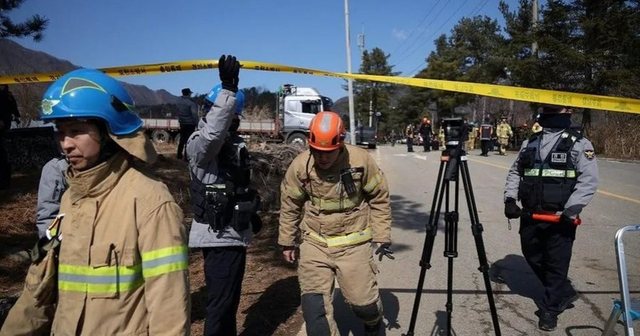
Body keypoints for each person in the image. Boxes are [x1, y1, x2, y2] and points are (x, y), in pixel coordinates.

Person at [0, 69, 190, 335]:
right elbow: (38, 284)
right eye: (60, 132)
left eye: (77, 131)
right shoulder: (69, 199)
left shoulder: (151, 201)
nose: (65, 144)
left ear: (109, 131)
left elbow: (168, 310)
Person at [279, 111, 393, 336]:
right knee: (315, 311)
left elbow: (379, 197)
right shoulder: (301, 166)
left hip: (354, 244)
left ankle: (373, 323)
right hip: (315, 243)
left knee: (364, 306)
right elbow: (290, 204)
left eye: (328, 153)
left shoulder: (360, 161)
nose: (322, 158)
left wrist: (382, 234)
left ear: (340, 144)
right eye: (318, 152)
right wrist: (287, 241)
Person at [503, 104, 598, 331]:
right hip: (530, 214)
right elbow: (516, 172)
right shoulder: (530, 142)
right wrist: (509, 199)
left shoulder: (579, 144)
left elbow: (589, 181)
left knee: (556, 263)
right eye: (551, 109)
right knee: (532, 255)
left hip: (560, 217)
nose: (555, 114)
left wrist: (571, 211)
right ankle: (562, 290)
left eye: (560, 110)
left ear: (568, 114)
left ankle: (551, 307)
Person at [186, 55, 260, 336]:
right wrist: (228, 90)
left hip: (232, 234)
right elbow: (212, 135)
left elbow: (236, 186)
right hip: (218, 237)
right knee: (219, 307)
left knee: (228, 304)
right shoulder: (200, 144)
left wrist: (251, 215)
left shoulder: (231, 144)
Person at [35, 156, 69, 238]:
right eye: (62, 142)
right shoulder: (56, 168)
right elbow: (49, 216)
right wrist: (51, 242)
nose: (67, 145)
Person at [0, 84, 21, 189]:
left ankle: (4, 182)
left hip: (4, 125)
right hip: (4, 123)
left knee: (2, 155)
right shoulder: (6, 95)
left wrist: (16, 115)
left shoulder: (7, 95)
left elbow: (13, 106)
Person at [176, 87, 199, 160]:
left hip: (182, 123)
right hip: (190, 124)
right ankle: (186, 157)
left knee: (182, 140)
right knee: (188, 141)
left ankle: (179, 155)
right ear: (188, 94)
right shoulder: (191, 103)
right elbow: (194, 115)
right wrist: (197, 123)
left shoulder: (179, 103)